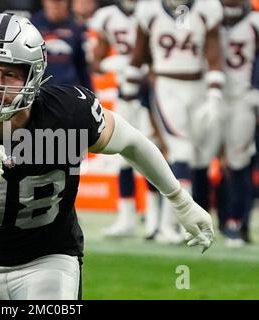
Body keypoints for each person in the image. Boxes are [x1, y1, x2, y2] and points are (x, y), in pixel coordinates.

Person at [0, 13, 214, 300]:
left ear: (33, 76)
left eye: (10, 74)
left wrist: (180, 201)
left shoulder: (68, 114)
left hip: (45, 261)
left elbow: (132, 142)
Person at [123, 0, 225, 243]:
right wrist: (127, 93)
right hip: (166, 86)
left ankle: (165, 225)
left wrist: (214, 94)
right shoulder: (149, 10)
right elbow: (139, 55)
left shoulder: (207, 8)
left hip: (198, 87)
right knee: (182, 151)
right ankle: (182, 225)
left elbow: (213, 51)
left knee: (198, 155)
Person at [90, 0, 165, 239]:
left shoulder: (153, 10)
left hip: (150, 91)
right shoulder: (107, 16)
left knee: (150, 152)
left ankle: (155, 218)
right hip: (125, 92)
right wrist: (111, 63)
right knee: (122, 154)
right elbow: (96, 61)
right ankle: (127, 216)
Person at [217, 0, 258, 246]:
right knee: (198, 160)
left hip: (243, 97)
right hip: (210, 95)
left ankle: (237, 222)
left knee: (239, 161)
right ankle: (207, 219)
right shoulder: (208, 14)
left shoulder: (254, 21)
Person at [31, 0, 93, 89]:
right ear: (44, 2)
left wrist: (89, 91)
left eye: (60, 1)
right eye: (52, 1)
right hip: (40, 89)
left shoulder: (76, 26)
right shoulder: (33, 25)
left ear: (67, 2)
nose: (56, 5)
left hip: (69, 89)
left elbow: (82, 66)